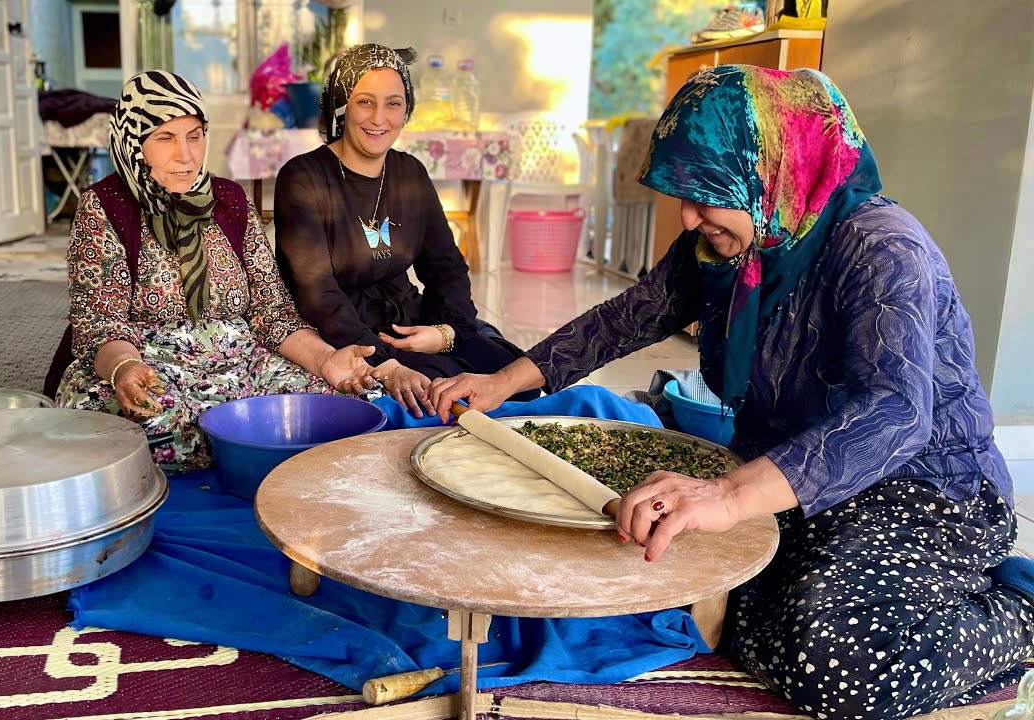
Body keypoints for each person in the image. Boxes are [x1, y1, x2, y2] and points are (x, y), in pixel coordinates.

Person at [428, 65, 1034, 719]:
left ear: (770, 172)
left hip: (919, 493)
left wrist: (727, 495)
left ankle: (1018, 605)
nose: (688, 217)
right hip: (789, 474)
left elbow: (894, 414)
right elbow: (634, 314)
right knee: (662, 569)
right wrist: (503, 383)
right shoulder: (734, 241)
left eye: (707, 194)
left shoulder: (882, 249)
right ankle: (791, 597)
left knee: (828, 653)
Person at [52, 71, 376, 474]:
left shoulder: (230, 199)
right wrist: (124, 369)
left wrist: (327, 360)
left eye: (194, 135)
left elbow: (271, 309)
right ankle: (252, 452)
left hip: (241, 363)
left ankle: (240, 451)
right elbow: (101, 319)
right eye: (165, 138)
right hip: (150, 365)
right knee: (131, 424)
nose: (186, 155)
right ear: (134, 141)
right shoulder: (105, 206)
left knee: (334, 406)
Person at [273, 44, 534, 418]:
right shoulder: (303, 177)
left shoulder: (409, 172)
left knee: (516, 380)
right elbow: (317, 292)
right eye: (365, 102)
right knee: (418, 405)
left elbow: (446, 267)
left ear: (406, 109)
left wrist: (446, 332)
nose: (379, 118)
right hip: (343, 332)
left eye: (393, 103)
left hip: (410, 322)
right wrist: (387, 365)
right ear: (341, 106)